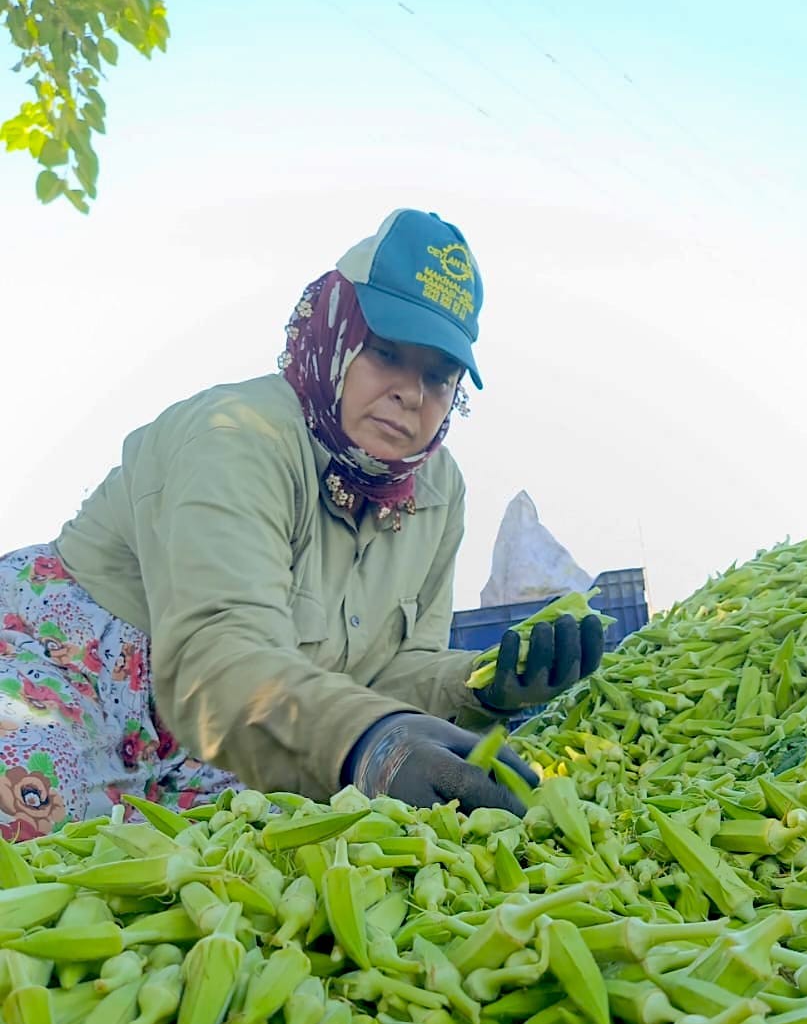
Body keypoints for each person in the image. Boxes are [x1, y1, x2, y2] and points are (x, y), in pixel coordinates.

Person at [0, 208, 602, 843]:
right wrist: (368, 739)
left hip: (243, 725)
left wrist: (483, 683)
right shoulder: (239, 436)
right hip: (81, 672)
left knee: (244, 859)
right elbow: (218, 651)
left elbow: (391, 668)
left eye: (437, 376)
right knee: (33, 827)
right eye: (386, 353)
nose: (411, 394)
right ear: (335, 335)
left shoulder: (437, 491)